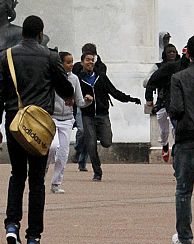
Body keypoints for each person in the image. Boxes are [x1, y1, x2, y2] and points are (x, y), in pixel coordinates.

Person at [0, 14, 73, 244]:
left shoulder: (5, 56)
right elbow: (65, 88)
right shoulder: (50, 57)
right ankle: (33, 238)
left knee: (17, 174)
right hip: (40, 124)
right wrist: (66, 92)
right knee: (37, 181)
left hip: (14, 121)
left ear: (22, 33)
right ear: (40, 34)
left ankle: (12, 224)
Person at [75, 52, 141, 182]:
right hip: (88, 116)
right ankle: (97, 172)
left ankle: (98, 134)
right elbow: (73, 95)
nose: (90, 62)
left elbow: (114, 92)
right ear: (82, 62)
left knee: (107, 142)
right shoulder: (78, 79)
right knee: (91, 145)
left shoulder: (101, 77)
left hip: (102, 115)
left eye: (92, 60)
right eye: (87, 60)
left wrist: (130, 99)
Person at [47, 51, 92, 193]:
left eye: (72, 62)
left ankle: (56, 183)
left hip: (67, 120)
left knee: (63, 153)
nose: (71, 65)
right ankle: (42, 171)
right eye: (68, 62)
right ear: (60, 63)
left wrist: (87, 101)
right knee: (52, 147)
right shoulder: (51, 77)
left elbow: (79, 101)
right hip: (52, 118)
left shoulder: (74, 79)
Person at [168, 34, 194, 244]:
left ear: (188, 54)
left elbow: (176, 109)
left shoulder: (179, 78)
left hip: (188, 138)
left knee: (184, 190)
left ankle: (185, 236)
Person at [72, 42, 107, 172]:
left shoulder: (101, 67)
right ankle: (78, 149)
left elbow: (102, 81)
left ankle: (82, 161)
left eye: (92, 56)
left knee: (89, 134)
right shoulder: (77, 66)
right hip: (80, 103)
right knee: (82, 131)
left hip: (94, 105)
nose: (90, 60)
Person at [144, 44, 181, 162]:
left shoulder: (180, 65)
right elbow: (147, 82)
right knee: (164, 129)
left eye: (174, 52)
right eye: (169, 52)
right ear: (165, 54)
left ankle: (177, 150)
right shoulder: (158, 66)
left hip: (176, 102)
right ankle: (165, 144)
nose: (172, 54)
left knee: (175, 127)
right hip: (162, 101)